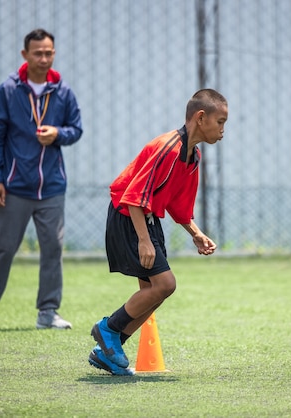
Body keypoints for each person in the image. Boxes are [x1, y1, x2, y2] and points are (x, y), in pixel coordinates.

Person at [88, 89, 228, 375]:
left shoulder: (192, 156)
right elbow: (133, 195)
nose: (223, 129)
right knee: (165, 284)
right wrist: (143, 240)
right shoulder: (169, 148)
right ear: (201, 118)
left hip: (146, 218)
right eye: (221, 121)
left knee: (154, 293)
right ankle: (108, 329)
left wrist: (196, 233)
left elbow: (178, 204)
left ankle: (108, 352)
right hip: (129, 216)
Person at [0, 29, 83, 331]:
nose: (44, 58)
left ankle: (48, 312)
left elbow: (76, 128)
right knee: (4, 247)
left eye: (49, 53)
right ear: (25, 55)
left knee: (53, 249)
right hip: (14, 186)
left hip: (52, 188)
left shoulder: (63, 91)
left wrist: (58, 134)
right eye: (38, 53)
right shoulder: (8, 91)